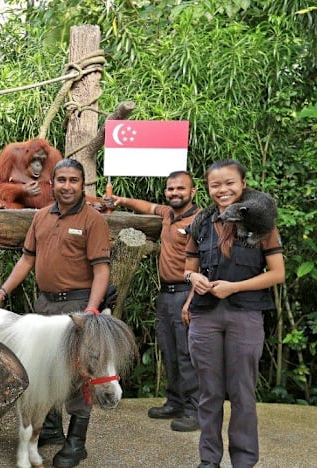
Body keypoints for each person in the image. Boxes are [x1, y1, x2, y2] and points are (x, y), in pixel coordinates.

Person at [0, 158, 111, 468]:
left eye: (73, 180)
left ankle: (76, 443)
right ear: (53, 183)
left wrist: (91, 311)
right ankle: (50, 430)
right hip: (45, 305)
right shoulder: (40, 217)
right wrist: (2, 292)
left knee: (80, 374)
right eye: (61, 180)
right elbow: (26, 261)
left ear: (82, 184)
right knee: (43, 369)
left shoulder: (93, 220)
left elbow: (101, 270)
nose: (66, 186)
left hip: (78, 306)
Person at [183, 159, 284, 468]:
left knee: (242, 393)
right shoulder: (201, 222)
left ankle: (243, 461)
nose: (223, 190)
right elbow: (188, 267)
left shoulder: (262, 221)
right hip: (205, 316)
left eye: (229, 183)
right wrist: (193, 279)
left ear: (242, 184)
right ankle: (208, 460)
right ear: (208, 188)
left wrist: (234, 287)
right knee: (209, 393)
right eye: (216, 185)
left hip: (246, 315)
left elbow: (277, 273)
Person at [104, 171, 201, 432]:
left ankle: (195, 410)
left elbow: (206, 265)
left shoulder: (201, 220)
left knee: (187, 354)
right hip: (166, 294)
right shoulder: (169, 214)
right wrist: (121, 200)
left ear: (193, 192)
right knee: (169, 351)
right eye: (170, 189)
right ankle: (175, 402)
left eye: (180, 189)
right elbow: (146, 207)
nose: (174, 193)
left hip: (188, 293)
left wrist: (192, 301)